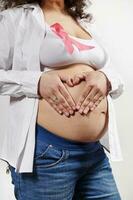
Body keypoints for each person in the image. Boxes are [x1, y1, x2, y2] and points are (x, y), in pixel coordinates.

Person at [0, 0, 124, 199]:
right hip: (46, 156)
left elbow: (114, 72)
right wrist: (37, 82)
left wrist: (106, 78)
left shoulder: (83, 21)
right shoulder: (15, 19)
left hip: (94, 154)